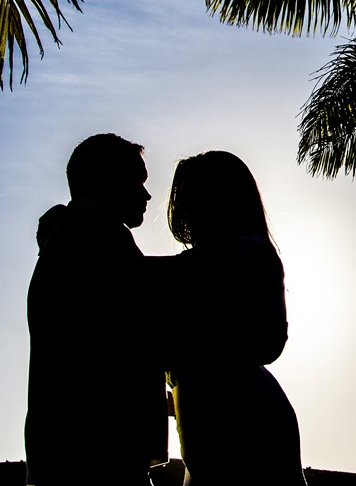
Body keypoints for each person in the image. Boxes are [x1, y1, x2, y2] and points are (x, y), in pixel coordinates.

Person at [25, 133, 168, 486]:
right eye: (137, 181)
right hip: (95, 456)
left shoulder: (77, 234)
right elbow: (143, 315)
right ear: (108, 181)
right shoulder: (95, 232)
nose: (147, 195)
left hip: (80, 452)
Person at [159, 150, 306, 486]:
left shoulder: (243, 255)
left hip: (239, 417)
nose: (184, 210)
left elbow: (267, 341)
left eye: (191, 198)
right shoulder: (217, 262)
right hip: (216, 412)